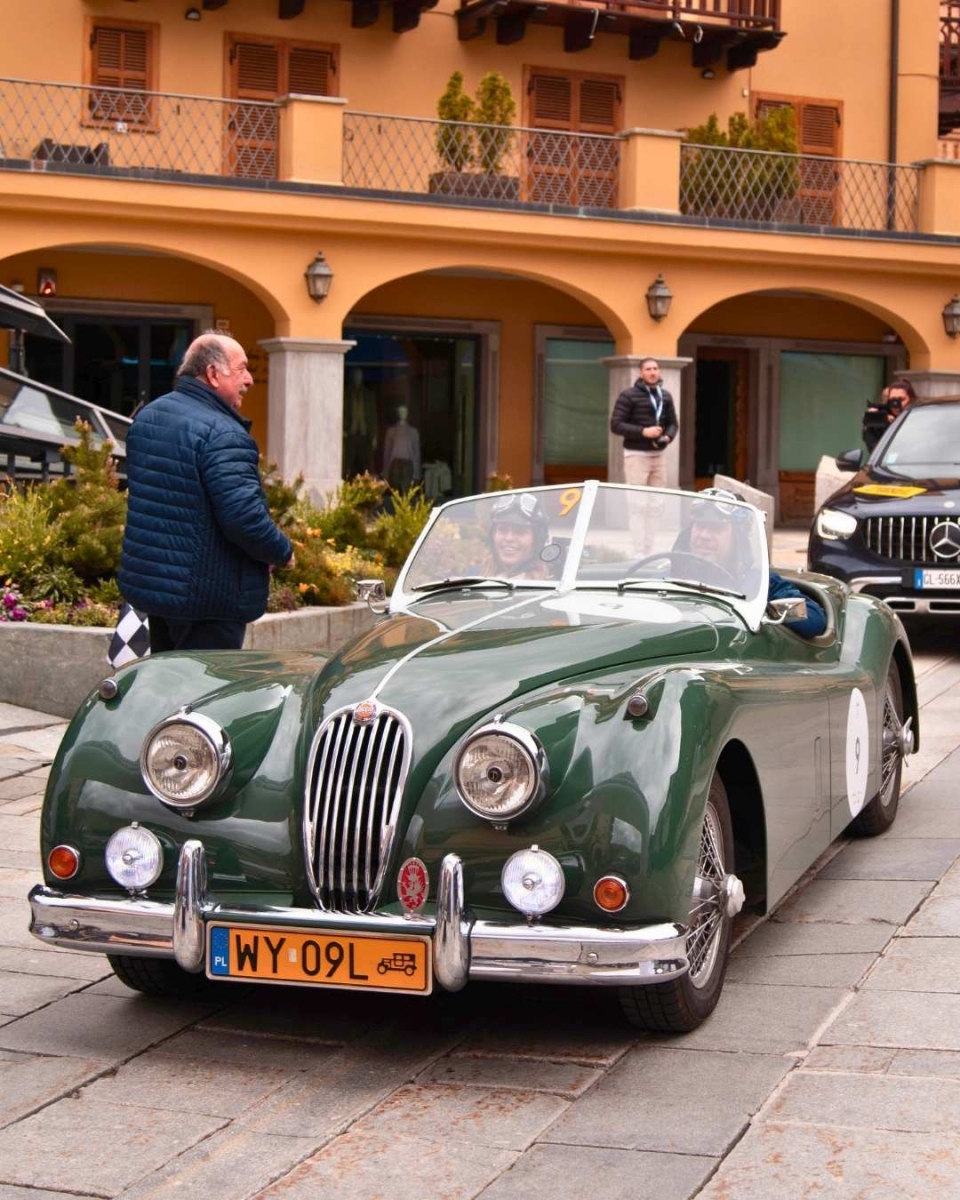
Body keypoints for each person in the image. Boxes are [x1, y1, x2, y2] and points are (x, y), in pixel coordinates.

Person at [118, 332, 294, 653]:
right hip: (208, 598)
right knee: (206, 695)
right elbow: (245, 518)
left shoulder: (148, 418)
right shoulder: (224, 434)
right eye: (242, 369)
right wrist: (282, 551)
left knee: (166, 682)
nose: (250, 379)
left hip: (158, 591)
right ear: (213, 374)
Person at [688, 489, 827, 638]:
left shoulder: (757, 584)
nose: (704, 536)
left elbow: (814, 619)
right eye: (699, 526)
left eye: (716, 528)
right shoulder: (667, 574)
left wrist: (761, 608)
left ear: (738, 538)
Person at [610, 357, 679, 488]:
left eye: (655, 369)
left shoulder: (665, 395)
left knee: (659, 500)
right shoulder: (628, 395)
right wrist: (643, 432)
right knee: (637, 501)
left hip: (659, 455)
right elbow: (616, 425)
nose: (652, 372)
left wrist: (668, 436)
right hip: (636, 456)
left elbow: (673, 423)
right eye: (648, 369)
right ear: (641, 373)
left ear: (659, 372)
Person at [483, 492, 555, 580]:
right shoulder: (472, 578)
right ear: (493, 535)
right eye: (503, 529)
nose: (509, 538)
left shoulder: (553, 586)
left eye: (520, 531)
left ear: (537, 540)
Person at [862, 379, 916, 452]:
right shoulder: (879, 416)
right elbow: (876, 450)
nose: (896, 404)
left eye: (901, 399)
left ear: (911, 399)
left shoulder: (919, 416)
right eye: (892, 400)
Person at [382, 404, 421, 492]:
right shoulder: (391, 431)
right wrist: (386, 472)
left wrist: (416, 473)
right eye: (400, 411)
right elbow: (387, 453)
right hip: (395, 464)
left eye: (404, 411)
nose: (402, 413)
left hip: (408, 464)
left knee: (405, 492)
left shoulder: (413, 432)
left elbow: (416, 454)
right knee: (396, 492)